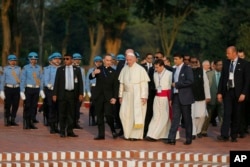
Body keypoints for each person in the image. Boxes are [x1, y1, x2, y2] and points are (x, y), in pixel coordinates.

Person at [217, 46, 250, 142]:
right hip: (228, 92)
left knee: (237, 114)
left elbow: (247, 81)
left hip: (238, 93)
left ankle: (234, 135)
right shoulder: (226, 63)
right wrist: (219, 92)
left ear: (234, 53)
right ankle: (224, 135)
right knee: (226, 113)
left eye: (228, 53)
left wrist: (244, 93)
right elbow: (222, 79)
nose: (226, 55)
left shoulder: (245, 64)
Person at [119, 50, 150, 140]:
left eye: (130, 60)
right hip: (126, 95)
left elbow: (144, 84)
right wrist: (120, 96)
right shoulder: (124, 69)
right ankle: (127, 134)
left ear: (135, 59)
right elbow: (122, 84)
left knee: (136, 115)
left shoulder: (141, 69)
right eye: (127, 60)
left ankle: (135, 135)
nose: (128, 61)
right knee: (124, 114)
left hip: (137, 95)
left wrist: (144, 96)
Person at [165, 53, 194, 145]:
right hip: (176, 97)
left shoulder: (187, 68)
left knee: (187, 119)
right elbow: (168, 68)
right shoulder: (174, 69)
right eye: (174, 59)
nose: (175, 61)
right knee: (175, 118)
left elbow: (190, 81)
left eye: (177, 59)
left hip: (185, 97)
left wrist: (177, 84)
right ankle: (171, 138)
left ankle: (188, 138)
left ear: (181, 59)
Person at [52, 53, 83, 138]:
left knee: (71, 113)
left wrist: (81, 93)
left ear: (72, 60)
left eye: (67, 59)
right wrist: (54, 94)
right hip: (63, 94)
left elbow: (80, 83)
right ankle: (62, 131)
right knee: (62, 113)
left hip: (72, 94)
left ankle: (70, 130)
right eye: (64, 59)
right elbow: (56, 83)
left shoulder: (77, 70)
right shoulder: (60, 70)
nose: (65, 60)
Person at [89, 54, 119, 140]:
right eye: (107, 60)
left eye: (110, 60)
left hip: (109, 97)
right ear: (103, 60)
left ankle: (113, 130)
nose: (109, 62)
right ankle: (101, 134)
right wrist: (94, 73)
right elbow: (90, 77)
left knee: (109, 115)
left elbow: (115, 86)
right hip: (99, 96)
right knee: (99, 116)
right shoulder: (99, 69)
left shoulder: (114, 72)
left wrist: (115, 97)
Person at [145, 59, 172, 141]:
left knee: (165, 116)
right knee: (156, 116)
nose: (156, 69)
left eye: (157, 67)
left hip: (166, 98)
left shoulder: (170, 74)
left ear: (162, 66)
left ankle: (157, 135)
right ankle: (151, 134)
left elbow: (171, 88)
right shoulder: (155, 74)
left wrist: (171, 99)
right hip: (157, 97)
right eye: (155, 67)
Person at [20, 52, 45, 129]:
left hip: (36, 88)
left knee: (34, 106)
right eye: (32, 59)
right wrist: (22, 90)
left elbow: (41, 79)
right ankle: (26, 122)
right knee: (27, 106)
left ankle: (31, 121)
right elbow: (23, 79)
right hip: (28, 88)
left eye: (35, 59)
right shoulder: (25, 68)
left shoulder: (39, 68)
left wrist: (41, 89)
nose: (33, 61)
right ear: (29, 60)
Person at [189, 57, 211, 139]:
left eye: (195, 62)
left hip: (201, 97)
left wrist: (208, 96)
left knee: (202, 116)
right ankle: (193, 133)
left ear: (198, 62)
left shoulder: (202, 71)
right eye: (192, 62)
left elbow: (206, 84)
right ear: (190, 62)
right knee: (192, 116)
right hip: (190, 97)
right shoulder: (187, 70)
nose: (194, 63)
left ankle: (198, 131)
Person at [201, 60, 223, 136]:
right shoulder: (208, 74)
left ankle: (223, 132)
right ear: (214, 66)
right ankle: (203, 131)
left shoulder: (225, 74)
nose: (221, 66)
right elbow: (204, 86)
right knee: (208, 116)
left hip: (222, 99)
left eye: (221, 65)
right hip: (211, 98)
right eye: (219, 65)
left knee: (222, 115)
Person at [43, 52, 62, 133]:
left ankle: (57, 125)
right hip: (51, 91)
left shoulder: (62, 69)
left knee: (59, 109)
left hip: (60, 92)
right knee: (52, 109)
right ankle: (52, 127)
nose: (58, 60)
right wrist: (52, 87)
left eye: (59, 59)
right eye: (56, 59)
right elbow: (46, 81)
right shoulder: (48, 69)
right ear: (52, 60)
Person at [0, 54, 21, 126]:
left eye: (14, 61)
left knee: (15, 104)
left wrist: (21, 90)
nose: (13, 62)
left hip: (16, 88)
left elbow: (21, 80)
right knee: (8, 105)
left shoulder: (19, 69)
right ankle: (7, 119)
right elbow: (2, 80)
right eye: (11, 61)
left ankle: (13, 119)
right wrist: (1, 91)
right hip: (8, 89)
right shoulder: (5, 69)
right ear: (8, 61)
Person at [85, 56, 103, 126]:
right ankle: (93, 119)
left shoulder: (103, 70)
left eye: (99, 62)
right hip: (93, 88)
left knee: (100, 105)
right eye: (97, 62)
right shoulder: (91, 70)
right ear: (95, 63)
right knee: (93, 105)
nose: (98, 63)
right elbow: (87, 81)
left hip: (101, 88)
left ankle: (99, 119)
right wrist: (88, 91)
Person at [72, 53, 85, 129]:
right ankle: (71, 122)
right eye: (75, 59)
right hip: (72, 90)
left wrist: (82, 92)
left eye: (78, 59)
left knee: (77, 107)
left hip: (79, 90)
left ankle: (76, 122)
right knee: (71, 107)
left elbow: (82, 81)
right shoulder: (70, 68)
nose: (77, 61)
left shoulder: (82, 70)